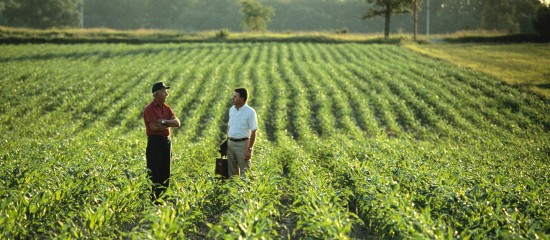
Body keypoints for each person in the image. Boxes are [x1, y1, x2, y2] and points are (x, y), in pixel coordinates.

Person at [143, 82, 180, 200]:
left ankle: (163, 199)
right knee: (154, 172)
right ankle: (154, 199)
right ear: (156, 94)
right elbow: (154, 127)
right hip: (154, 143)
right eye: (164, 92)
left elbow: (177, 123)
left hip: (166, 142)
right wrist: (169, 124)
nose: (166, 94)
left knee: (165, 171)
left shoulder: (167, 108)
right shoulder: (149, 109)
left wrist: (163, 122)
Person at [227, 88, 258, 178]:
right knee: (232, 172)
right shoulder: (231, 110)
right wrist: (227, 143)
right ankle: (233, 191)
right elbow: (229, 127)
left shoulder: (250, 112)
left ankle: (245, 191)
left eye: (235, 96)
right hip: (230, 144)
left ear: (242, 98)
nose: (232, 98)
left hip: (242, 145)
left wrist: (249, 149)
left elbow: (254, 131)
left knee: (245, 172)